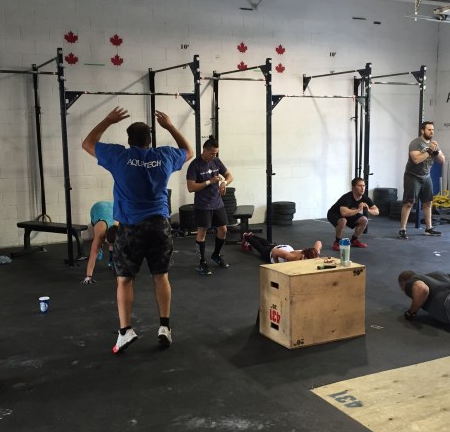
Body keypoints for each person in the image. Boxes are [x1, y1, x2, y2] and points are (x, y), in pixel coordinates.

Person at [82, 107, 194, 353]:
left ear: (129, 140)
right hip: (160, 226)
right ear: (149, 140)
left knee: (124, 280)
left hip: (131, 228)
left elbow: (87, 143)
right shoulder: (164, 155)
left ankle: (125, 332)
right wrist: (170, 127)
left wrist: (108, 120)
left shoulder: (119, 156)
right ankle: (164, 327)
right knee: (161, 276)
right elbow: (189, 151)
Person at [186, 137, 234, 275]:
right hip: (202, 205)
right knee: (202, 233)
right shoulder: (195, 165)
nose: (214, 155)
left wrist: (224, 183)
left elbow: (229, 175)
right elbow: (191, 187)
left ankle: (216, 255)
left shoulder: (216, 161)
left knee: (223, 230)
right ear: (205, 150)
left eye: (216, 153)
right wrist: (209, 182)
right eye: (212, 153)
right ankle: (202, 262)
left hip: (217, 202)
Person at [399, 121, 445, 239]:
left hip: (426, 176)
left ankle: (429, 228)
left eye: (433, 130)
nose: (431, 132)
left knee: (428, 203)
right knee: (409, 203)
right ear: (423, 131)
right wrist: (429, 151)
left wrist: (435, 152)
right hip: (412, 175)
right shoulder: (415, 143)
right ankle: (402, 229)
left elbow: (442, 160)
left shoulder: (433, 144)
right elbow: (416, 160)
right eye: (429, 130)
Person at [327, 177, 379, 250]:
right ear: (353, 187)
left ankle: (354, 241)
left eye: (364, 185)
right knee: (343, 221)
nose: (362, 188)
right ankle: (337, 242)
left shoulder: (365, 198)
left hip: (349, 213)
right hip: (334, 213)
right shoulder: (346, 197)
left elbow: (377, 211)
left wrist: (369, 210)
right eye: (359, 186)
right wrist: (359, 209)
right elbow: (344, 213)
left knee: (364, 220)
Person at [80, 201, 117, 284]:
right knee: (97, 244)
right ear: (106, 237)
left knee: (115, 245)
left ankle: (111, 262)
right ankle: (100, 248)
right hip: (97, 208)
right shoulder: (100, 230)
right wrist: (88, 276)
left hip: (111, 207)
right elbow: (93, 255)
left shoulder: (121, 227)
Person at [241, 232, 321, 263]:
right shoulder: (293, 257)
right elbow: (275, 251)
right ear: (305, 257)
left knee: (267, 244)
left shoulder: (314, 253)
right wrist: (277, 265)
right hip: (275, 252)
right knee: (261, 248)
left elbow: (318, 242)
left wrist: (317, 252)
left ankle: (253, 235)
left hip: (285, 249)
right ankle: (247, 236)